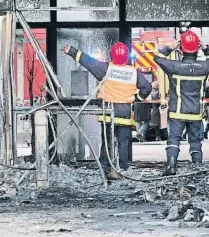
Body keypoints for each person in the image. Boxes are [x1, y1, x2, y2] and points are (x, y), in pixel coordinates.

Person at [62, 42, 152, 180]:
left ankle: (105, 167)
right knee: (123, 141)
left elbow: (88, 62)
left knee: (107, 141)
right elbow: (147, 87)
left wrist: (71, 51)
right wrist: (136, 98)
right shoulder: (133, 72)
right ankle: (123, 169)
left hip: (109, 113)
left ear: (112, 55)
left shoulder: (106, 68)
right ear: (126, 57)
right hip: (124, 113)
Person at [153, 30, 209, 176]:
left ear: (181, 49)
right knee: (195, 141)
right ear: (197, 49)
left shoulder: (174, 66)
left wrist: (170, 47)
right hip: (195, 112)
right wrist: (206, 47)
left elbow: (157, 58)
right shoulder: (204, 67)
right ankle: (197, 168)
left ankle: (171, 166)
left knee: (174, 139)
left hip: (177, 112)